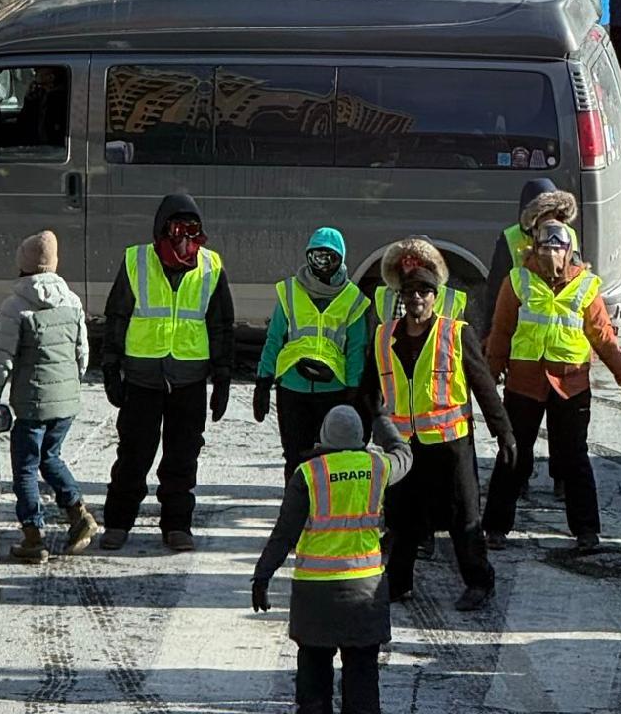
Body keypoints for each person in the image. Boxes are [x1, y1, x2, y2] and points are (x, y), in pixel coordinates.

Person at [372, 236, 514, 611]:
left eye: (424, 291)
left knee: (464, 518)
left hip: (451, 445)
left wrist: (504, 432)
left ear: (435, 296)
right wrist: (362, 431)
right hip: (404, 447)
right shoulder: (384, 337)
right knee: (402, 519)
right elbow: (367, 390)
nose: (417, 298)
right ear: (401, 297)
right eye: (410, 292)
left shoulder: (456, 333)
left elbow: (484, 386)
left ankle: (479, 582)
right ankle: (398, 584)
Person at [481, 218, 621, 552]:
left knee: (574, 457)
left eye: (557, 247)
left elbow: (602, 335)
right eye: (544, 246)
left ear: (570, 251)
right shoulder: (517, 281)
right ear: (534, 248)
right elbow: (500, 333)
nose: (550, 253)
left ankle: (586, 531)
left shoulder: (586, 285)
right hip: (524, 384)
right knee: (512, 453)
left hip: (571, 385)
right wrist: (489, 380)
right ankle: (495, 527)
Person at [251, 401, 412, 714]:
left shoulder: (309, 474)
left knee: (313, 678)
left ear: (323, 436)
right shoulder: (378, 467)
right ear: (361, 437)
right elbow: (404, 454)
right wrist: (381, 419)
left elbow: (284, 533)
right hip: (365, 592)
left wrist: (262, 576)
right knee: (362, 678)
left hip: (315, 595)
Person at [99, 191, 235, 552]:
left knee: (182, 457)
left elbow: (221, 324)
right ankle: (118, 523)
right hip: (142, 378)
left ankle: (177, 525)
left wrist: (222, 377)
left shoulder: (211, 265)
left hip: (189, 380)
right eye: (176, 229)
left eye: (191, 230)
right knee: (133, 454)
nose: (183, 238)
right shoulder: (137, 260)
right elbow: (117, 316)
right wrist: (110, 366)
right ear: (161, 229)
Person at [0, 229, 98, 564]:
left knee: (25, 468)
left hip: (32, 403)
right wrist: (68, 387)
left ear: (23, 263)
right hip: (66, 401)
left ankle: (33, 538)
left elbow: (3, 361)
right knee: (50, 457)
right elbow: (82, 354)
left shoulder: (15, 306)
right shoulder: (72, 300)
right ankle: (78, 514)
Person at [255, 227, 374, 478]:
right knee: (295, 457)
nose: (322, 264)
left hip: (333, 390)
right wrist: (263, 381)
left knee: (331, 460)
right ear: (308, 257)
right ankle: (295, 502)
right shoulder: (290, 291)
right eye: (316, 257)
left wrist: (354, 392)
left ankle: (324, 504)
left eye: (329, 258)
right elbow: (274, 339)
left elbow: (356, 350)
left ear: (340, 260)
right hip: (293, 388)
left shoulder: (353, 299)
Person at [471, 178, 577, 337]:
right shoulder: (511, 238)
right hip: (523, 329)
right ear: (533, 217)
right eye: (545, 214)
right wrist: (489, 334)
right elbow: (496, 291)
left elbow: (578, 283)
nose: (551, 221)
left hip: (561, 329)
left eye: (554, 213)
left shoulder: (568, 235)